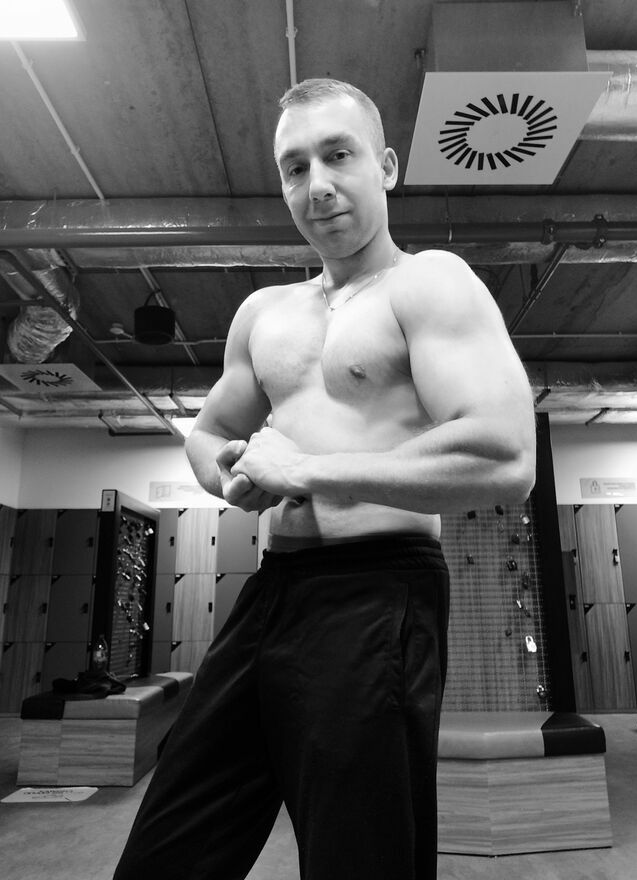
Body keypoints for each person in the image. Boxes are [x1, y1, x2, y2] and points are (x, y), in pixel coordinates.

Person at [113, 78, 535, 880]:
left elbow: (505, 457)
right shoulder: (263, 312)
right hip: (272, 591)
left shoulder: (429, 283)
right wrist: (226, 475)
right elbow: (208, 433)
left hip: (380, 590)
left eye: (338, 156)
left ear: (386, 166)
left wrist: (305, 468)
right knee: (166, 850)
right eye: (295, 166)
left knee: (360, 858)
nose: (318, 185)